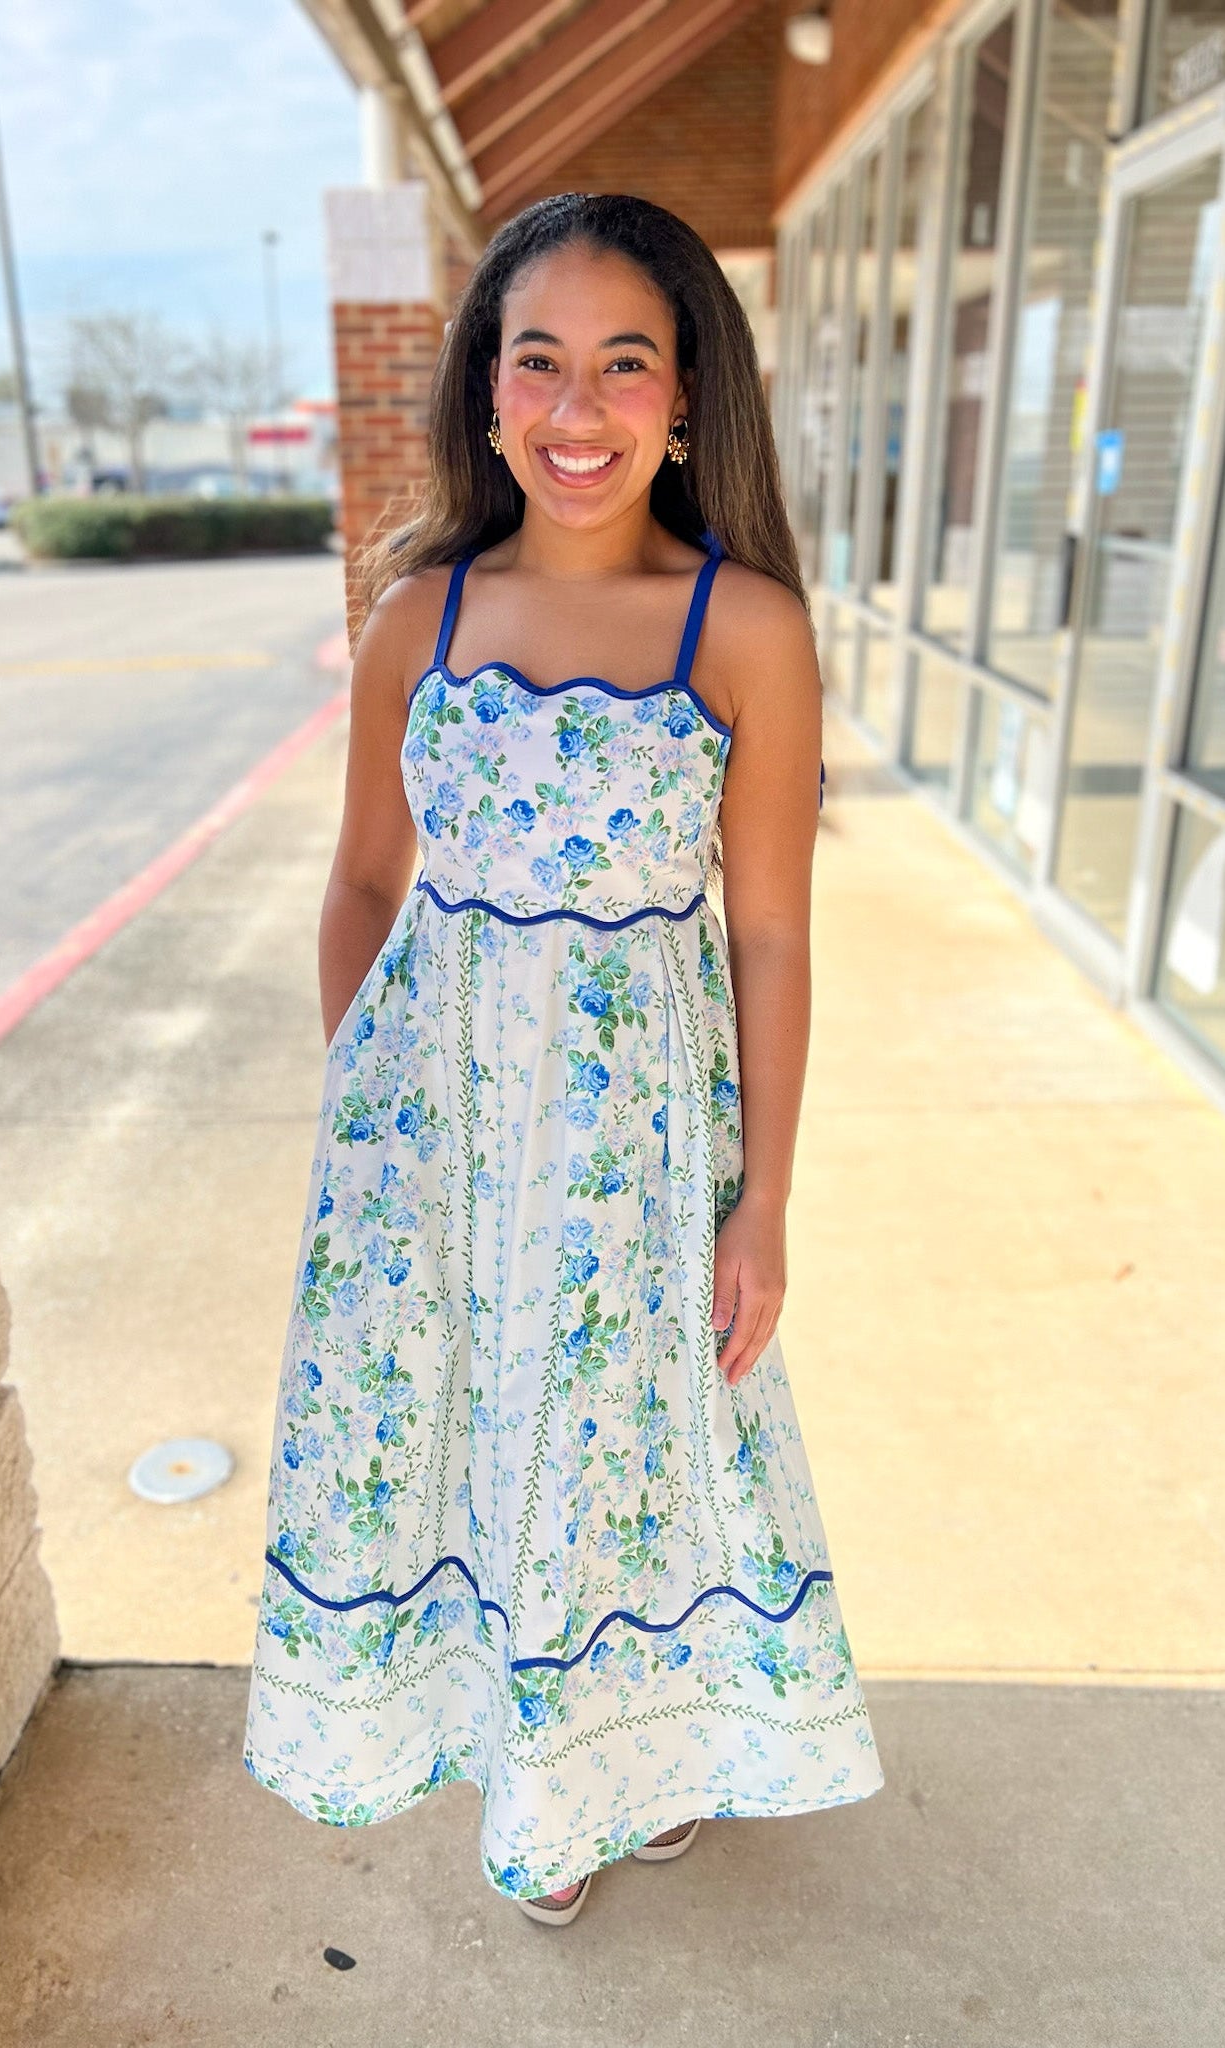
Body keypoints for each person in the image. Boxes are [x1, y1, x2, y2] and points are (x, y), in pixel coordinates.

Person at [242, 191, 884, 1924]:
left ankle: (620, 1761)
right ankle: (523, 1767)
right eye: (540, 363)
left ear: (686, 399)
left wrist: (765, 1201)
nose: (578, 410)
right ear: (484, 391)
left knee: (619, 1449)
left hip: (638, 1145)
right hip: (432, 1140)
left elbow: (767, 931)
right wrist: (367, 1117)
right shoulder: (415, 620)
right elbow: (370, 877)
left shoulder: (739, 627)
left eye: (625, 364)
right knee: (465, 1448)